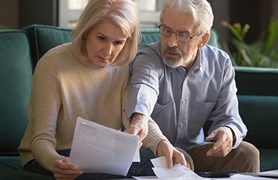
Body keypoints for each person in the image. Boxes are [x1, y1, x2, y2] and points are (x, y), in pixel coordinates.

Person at [18, 0, 187, 179]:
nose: (108, 51)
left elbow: (135, 118)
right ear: (86, 32)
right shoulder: (52, 64)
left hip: (104, 156)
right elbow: (41, 139)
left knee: (167, 164)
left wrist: (162, 143)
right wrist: (57, 162)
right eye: (101, 38)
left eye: (118, 42)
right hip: (53, 156)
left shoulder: (121, 67)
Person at [124, 0, 260, 173]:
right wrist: (140, 118)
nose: (171, 43)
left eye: (182, 35)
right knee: (181, 161)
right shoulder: (148, 56)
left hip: (196, 152)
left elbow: (230, 117)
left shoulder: (220, 63)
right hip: (153, 152)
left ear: (202, 39)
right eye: (166, 30)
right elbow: (144, 86)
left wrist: (228, 132)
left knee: (247, 153)